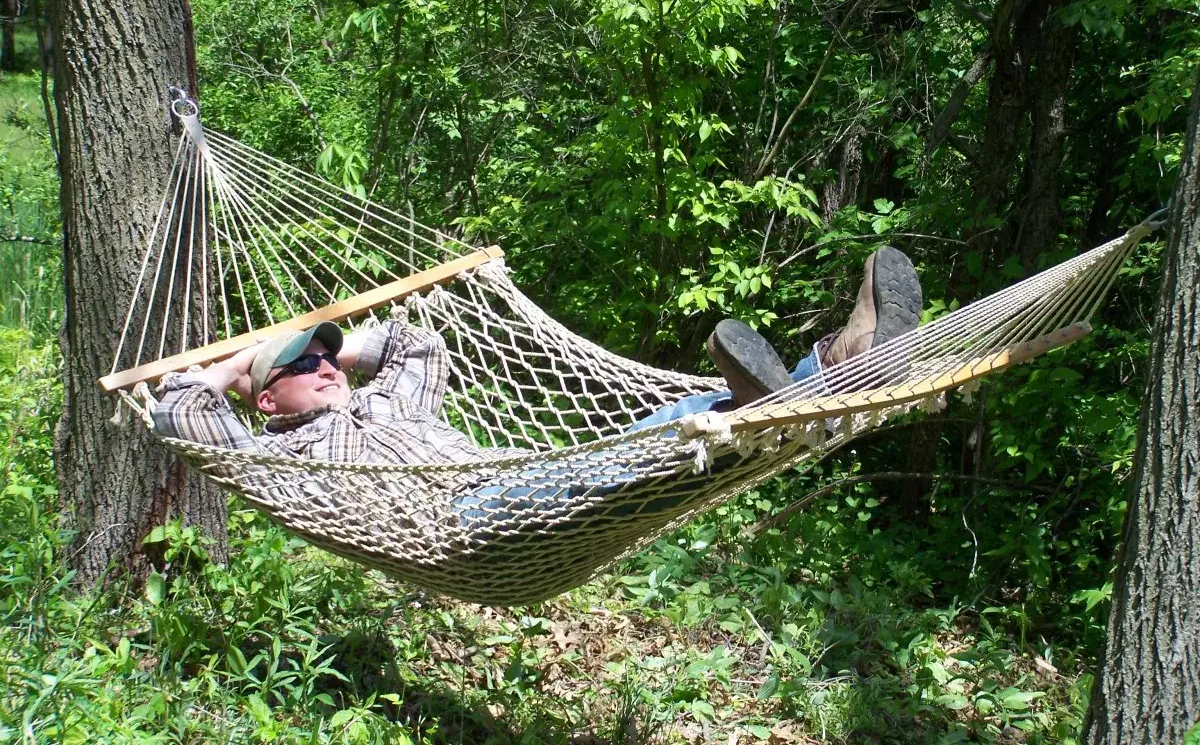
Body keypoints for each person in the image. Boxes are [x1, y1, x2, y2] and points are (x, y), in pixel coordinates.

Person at [153, 246, 922, 468]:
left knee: (668, 432)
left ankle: (837, 367)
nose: (322, 369)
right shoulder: (277, 458)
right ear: (265, 402)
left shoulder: (387, 401)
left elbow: (419, 344)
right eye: (300, 369)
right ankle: (818, 381)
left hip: (523, 481)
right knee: (660, 442)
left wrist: (333, 350)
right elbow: (183, 416)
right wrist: (231, 370)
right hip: (462, 524)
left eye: (324, 361)